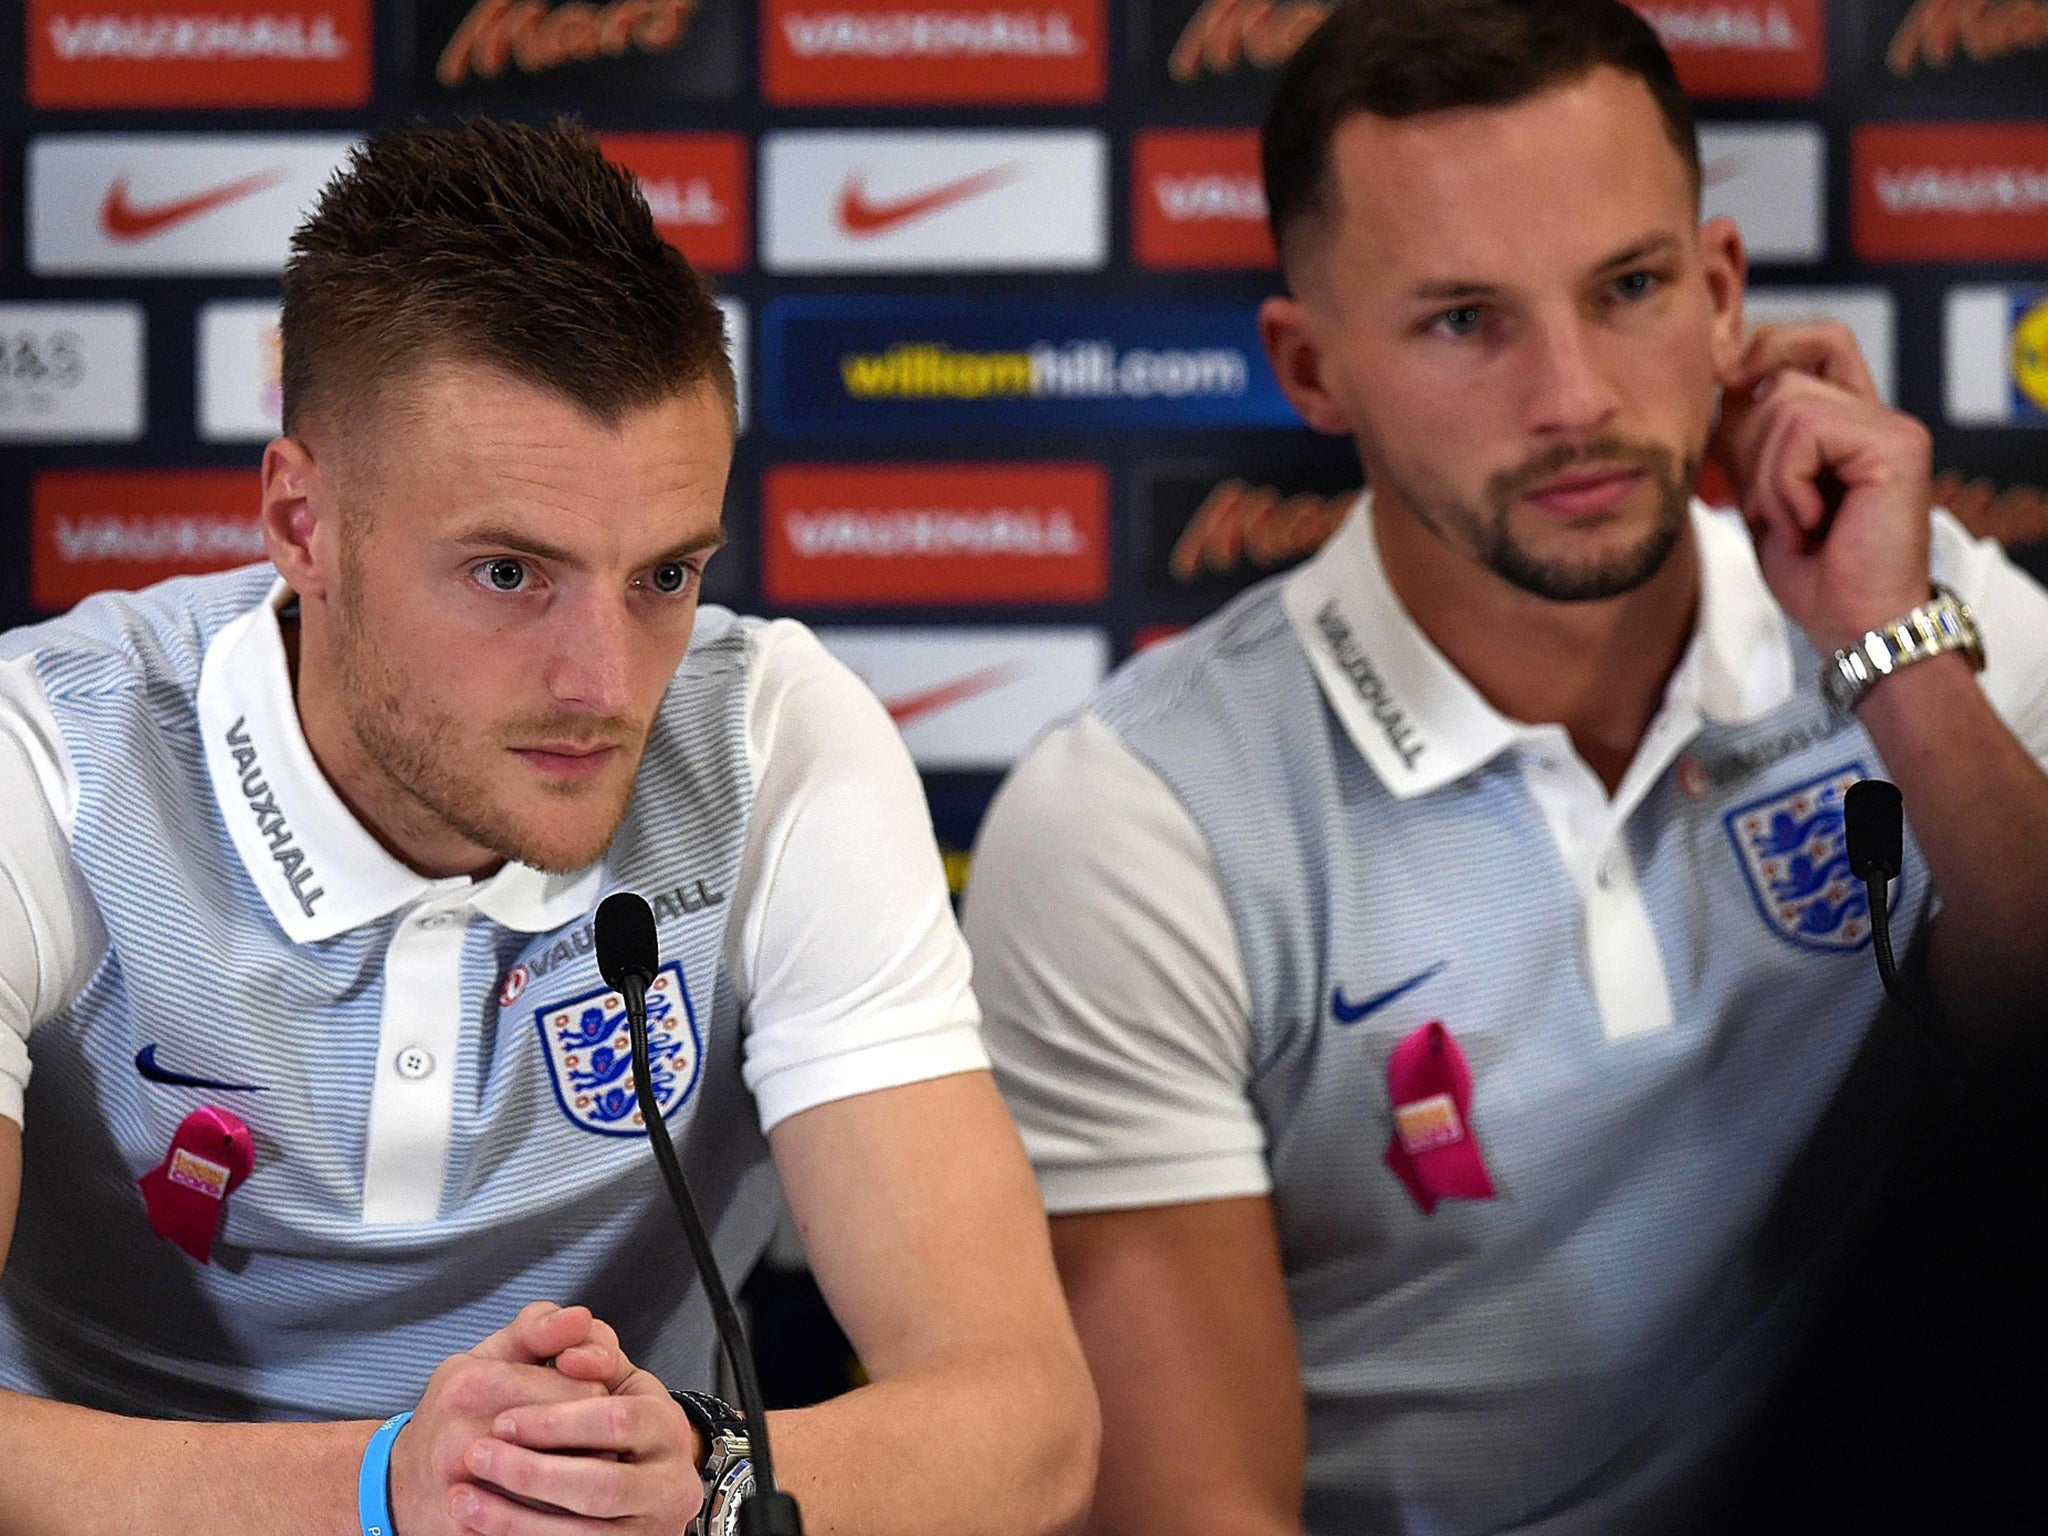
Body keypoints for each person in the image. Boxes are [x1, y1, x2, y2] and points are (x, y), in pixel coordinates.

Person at [962, 2, 2048, 1532]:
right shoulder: (1139, 820)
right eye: (1465, 319)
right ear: (1312, 365)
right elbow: (1202, 1508)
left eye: (1630, 287)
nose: (1577, 398)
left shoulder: (1931, 614)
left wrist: (1892, 657)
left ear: (1723, 292)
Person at [0, 119, 1097, 1536]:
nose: (606, 684)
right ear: (300, 522)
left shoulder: (773, 737)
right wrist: (391, 1488)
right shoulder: (48, 758)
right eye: (510, 571)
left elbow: (1029, 1422)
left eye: (664, 575)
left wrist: (702, 1479)